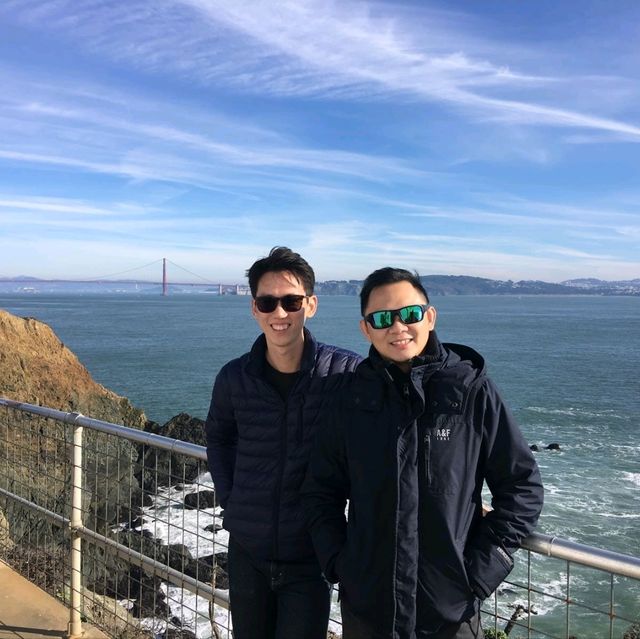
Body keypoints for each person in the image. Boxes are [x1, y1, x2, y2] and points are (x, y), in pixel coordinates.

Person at [301, 267, 544, 639]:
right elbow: (321, 491)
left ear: (429, 317)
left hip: (450, 612)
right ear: (366, 329)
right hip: (368, 609)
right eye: (381, 318)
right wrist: (340, 564)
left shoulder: (471, 391)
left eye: (410, 314)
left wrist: (479, 574)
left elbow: (522, 487)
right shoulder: (349, 398)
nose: (398, 327)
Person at [205, 246, 361, 639]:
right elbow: (218, 437)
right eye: (267, 302)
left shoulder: (346, 374)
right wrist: (229, 497)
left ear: (311, 304)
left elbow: (396, 428)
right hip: (247, 551)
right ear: (254, 308)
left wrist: (456, 492)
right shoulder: (233, 377)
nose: (280, 314)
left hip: (310, 556)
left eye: (291, 302)